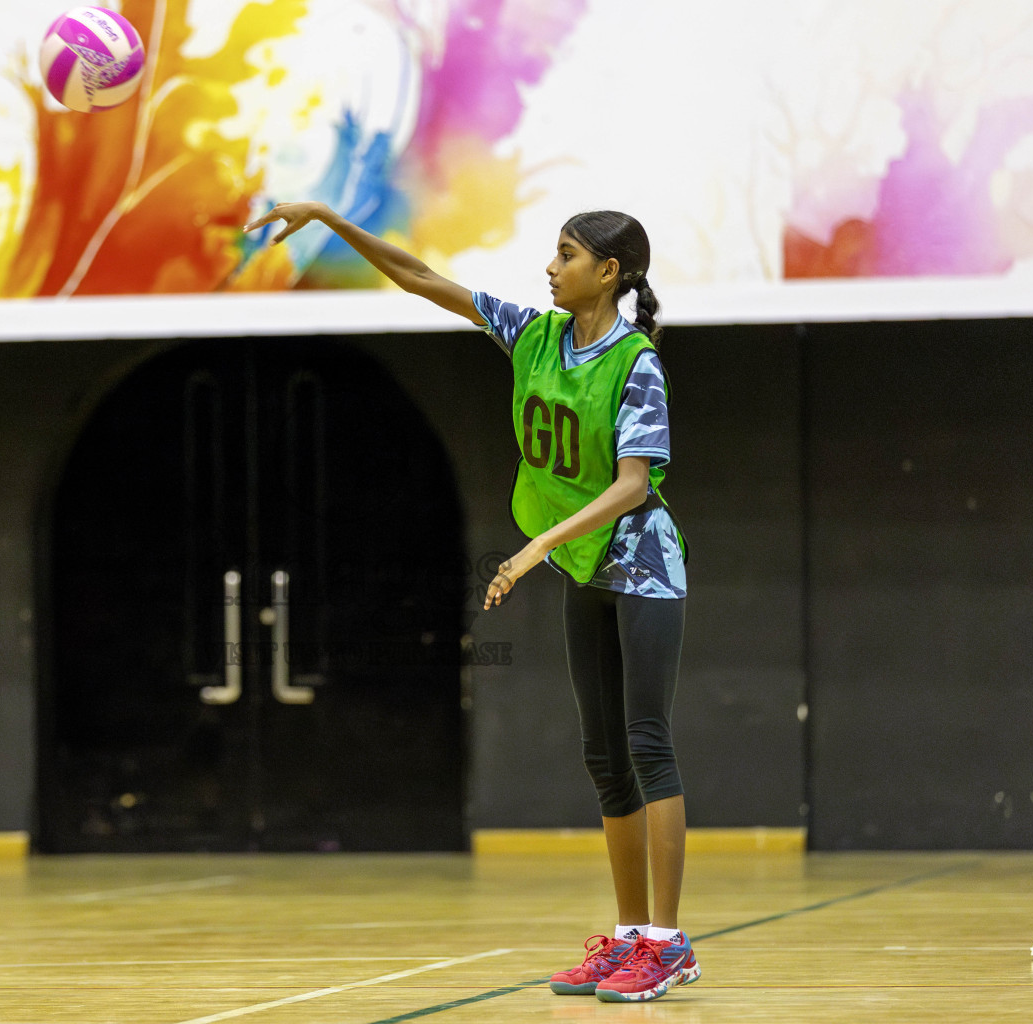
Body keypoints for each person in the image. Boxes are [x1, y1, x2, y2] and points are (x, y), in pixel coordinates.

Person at [244, 202, 700, 1002]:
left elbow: (634, 484)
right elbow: (421, 278)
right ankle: (628, 936)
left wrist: (535, 546)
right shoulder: (532, 336)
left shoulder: (636, 363)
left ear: (610, 273)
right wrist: (327, 219)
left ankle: (668, 941)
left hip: (642, 565)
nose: (549, 267)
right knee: (603, 757)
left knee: (647, 744)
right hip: (583, 564)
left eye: (566, 255)